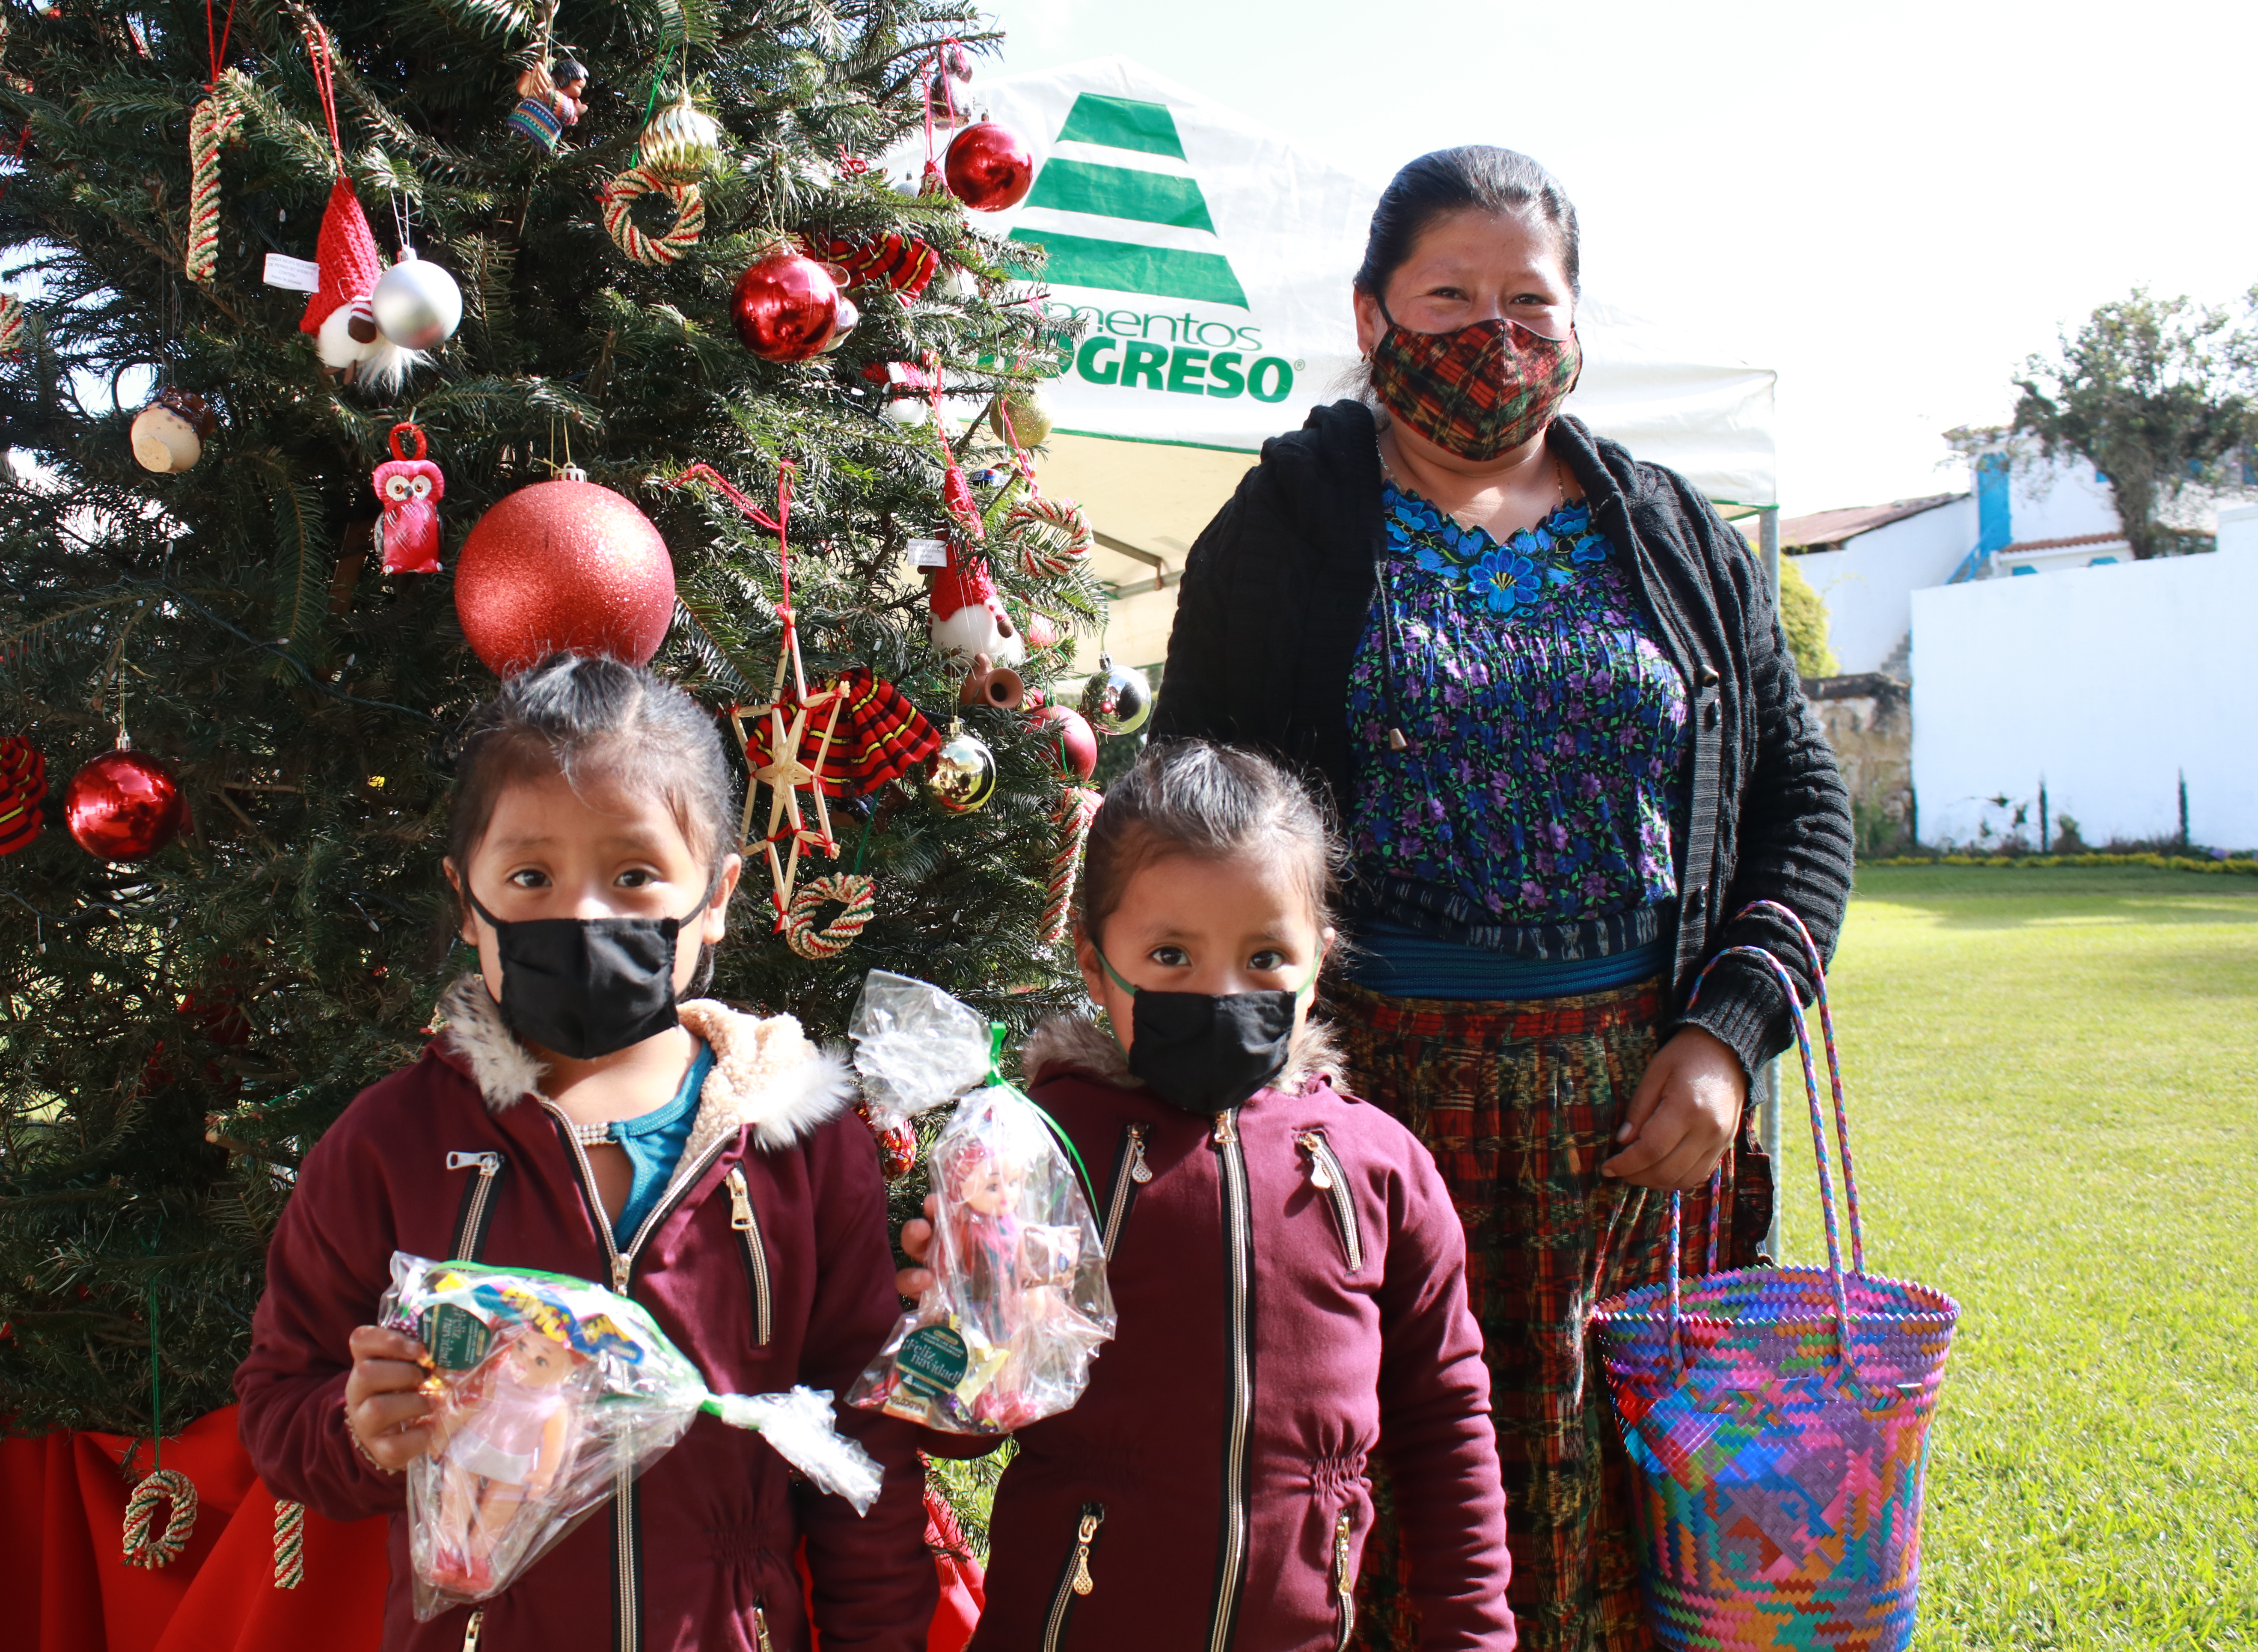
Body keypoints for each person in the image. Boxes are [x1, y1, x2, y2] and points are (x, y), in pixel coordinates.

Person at [1148, 146, 1854, 1651]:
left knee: (1632, 1507)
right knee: (1383, 1497)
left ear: (1580, 325)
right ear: (1371, 313)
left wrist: (1729, 1038)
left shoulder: (1669, 537)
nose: (1496, 335)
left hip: (1645, 1125)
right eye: (1450, 296)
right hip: (1369, 1115)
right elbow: (1186, 824)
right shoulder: (1282, 534)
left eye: (1530, 301)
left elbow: (1805, 805)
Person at [236, 654, 934, 1652]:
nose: (585, 915)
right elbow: (278, 1402)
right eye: (531, 877)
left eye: (636, 874)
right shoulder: (391, 1144)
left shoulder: (802, 1144)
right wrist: (357, 1430)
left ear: (720, 894)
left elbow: (862, 1442)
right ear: (465, 895)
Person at [898, 740, 1516, 1652]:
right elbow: (952, 1431)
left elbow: (1446, 1420)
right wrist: (951, 1323)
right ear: (1094, 958)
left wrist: (1476, 1636)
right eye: (1172, 954)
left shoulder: (1382, 1168)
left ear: (1321, 959)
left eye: (1266, 955)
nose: (1223, 993)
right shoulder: (1041, 1151)